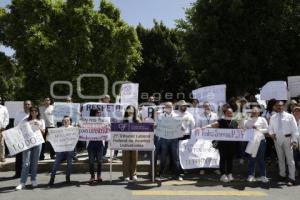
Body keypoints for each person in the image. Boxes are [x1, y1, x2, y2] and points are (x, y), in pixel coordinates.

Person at [269, 100, 299, 186]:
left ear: (284, 106)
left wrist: (294, 141)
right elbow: (270, 128)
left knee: (290, 160)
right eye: (277, 105)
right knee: (280, 158)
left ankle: (292, 178)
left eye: (281, 105)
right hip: (277, 139)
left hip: (288, 139)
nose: (279, 107)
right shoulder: (273, 117)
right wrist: (271, 134)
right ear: (275, 107)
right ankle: (282, 175)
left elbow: (295, 129)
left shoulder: (290, 116)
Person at [205, 107, 239, 182]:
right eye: (228, 113)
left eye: (231, 113)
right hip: (223, 144)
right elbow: (211, 125)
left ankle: (230, 174)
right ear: (225, 114)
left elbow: (240, 130)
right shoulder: (221, 121)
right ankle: (223, 175)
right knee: (223, 159)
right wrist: (203, 128)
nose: (230, 114)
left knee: (230, 159)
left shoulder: (235, 122)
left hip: (232, 144)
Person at [16, 106, 45, 190]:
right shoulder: (25, 120)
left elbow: (43, 133)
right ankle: (22, 182)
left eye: (35, 111)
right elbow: (19, 130)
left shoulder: (41, 120)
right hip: (27, 144)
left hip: (38, 143)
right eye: (32, 111)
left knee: (34, 162)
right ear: (30, 112)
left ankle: (33, 179)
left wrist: (38, 126)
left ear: (38, 112)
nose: (33, 112)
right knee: (26, 163)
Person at [158, 102, 183, 181]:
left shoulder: (177, 116)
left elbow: (181, 127)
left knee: (175, 158)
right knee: (163, 157)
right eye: (167, 107)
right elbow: (158, 126)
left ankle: (177, 175)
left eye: (170, 106)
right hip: (164, 139)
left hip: (174, 139)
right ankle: (161, 174)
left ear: (172, 107)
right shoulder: (160, 116)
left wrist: (182, 128)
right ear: (164, 108)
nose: (168, 108)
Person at [244, 106, 269, 183]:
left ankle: (263, 176)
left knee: (261, 159)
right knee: (252, 159)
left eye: (256, 111)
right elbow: (244, 129)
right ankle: (251, 175)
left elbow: (267, 129)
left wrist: (258, 129)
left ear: (259, 112)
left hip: (261, 141)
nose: (254, 112)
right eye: (253, 111)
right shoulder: (247, 120)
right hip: (251, 142)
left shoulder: (262, 119)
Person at [48, 116, 75, 186]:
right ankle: (52, 178)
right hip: (60, 151)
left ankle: (67, 177)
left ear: (70, 122)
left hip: (69, 150)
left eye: (67, 120)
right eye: (64, 120)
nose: (66, 121)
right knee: (56, 163)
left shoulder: (73, 129)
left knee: (70, 163)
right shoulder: (59, 129)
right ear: (62, 122)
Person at [198, 102, 219, 175]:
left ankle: (215, 168)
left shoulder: (215, 115)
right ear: (203, 108)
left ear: (210, 107)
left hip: (213, 136)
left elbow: (217, 125)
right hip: (204, 137)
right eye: (205, 106)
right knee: (203, 153)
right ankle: (202, 168)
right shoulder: (200, 116)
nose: (207, 107)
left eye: (208, 106)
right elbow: (198, 126)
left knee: (214, 153)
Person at [13, 100, 32, 178]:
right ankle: (18, 173)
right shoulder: (18, 114)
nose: (27, 105)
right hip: (20, 137)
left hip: (30, 138)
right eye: (25, 104)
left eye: (28, 104)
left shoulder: (33, 114)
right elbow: (15, 125)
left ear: (31, 105)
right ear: (23, 105)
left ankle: (29, 172)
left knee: (29, 156)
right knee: (19, 156)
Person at [122, 105, 141, 182]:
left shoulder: (138, 120)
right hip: (125, 142)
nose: (130, 112)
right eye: (129, 110)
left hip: (135, 142)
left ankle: (133, 174)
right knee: (126, 159)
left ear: (134, 111)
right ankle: (126, 175)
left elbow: (142, 130)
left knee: (134, 159)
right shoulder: (123, 120)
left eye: (132, 110)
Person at [87, 109, 105, 184]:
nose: (99, 114)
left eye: (100, 113)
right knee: (91, 161)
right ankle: (92, 176)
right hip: (91, 143)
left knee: (99, 161)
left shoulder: (103, 121)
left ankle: (99, 176)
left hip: (100, 143)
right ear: (93, 114)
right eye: (98, 113)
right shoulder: (87, 122)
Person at [0, 96, 9, 162]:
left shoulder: (4, 108)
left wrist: (4, 127)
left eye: (0, 100)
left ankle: (2, 157)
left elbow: (6, 118)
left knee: (1, 144)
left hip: (1, 128)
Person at [292, 105, 300, 175]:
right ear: (293, 112)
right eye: (295, 111)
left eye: (298, 111)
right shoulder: (290, 121)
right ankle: (296, 170)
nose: (297, 112)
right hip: (294, 141)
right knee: (294, 157)